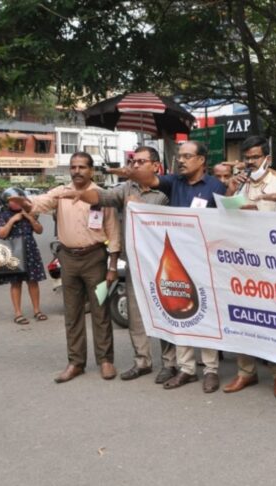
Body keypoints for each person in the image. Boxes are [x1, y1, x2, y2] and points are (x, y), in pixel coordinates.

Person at [107, 140, 227, 393]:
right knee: (178, 312)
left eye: (186, 156)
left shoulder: (217, 187)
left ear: (201, 160)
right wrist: (130, 172)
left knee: (205, 314)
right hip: (177, 260)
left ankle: (211, 370)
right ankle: (185, 369)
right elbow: (150, 181)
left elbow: (226, 225)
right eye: (179, 156)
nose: (181, 160)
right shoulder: (174, 183)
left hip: (204, 261)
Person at [58, 147, 173, 382]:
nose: (136, 165)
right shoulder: (125, 189)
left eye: (141, 161)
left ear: (155, 165)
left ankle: (170, 364)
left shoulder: (168, 189)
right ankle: (142, 361)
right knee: (135, 315)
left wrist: (139, 205)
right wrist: (82, 193)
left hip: (163, 264)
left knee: (164, 313)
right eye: (133, 161)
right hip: (135, 263)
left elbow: (171, 220)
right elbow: (103, 197)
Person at [12, 152, 122, 383]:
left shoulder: (102, 196)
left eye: (82, 167)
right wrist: (26, 203)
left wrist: (112, 266)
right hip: (68, 260)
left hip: (96, 259)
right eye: (73, 167)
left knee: (100, 311)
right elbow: (39, 203)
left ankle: (105, 360)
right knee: (72, 313)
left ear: (91, 170)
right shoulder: (60, 193)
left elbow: (113, 231)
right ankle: (75, 363)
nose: (77, 171)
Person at [221, 135, 276, 398]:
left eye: (255, 157)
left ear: (267, 158)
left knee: (273, 321)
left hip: (271, 264)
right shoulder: (240, 184)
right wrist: (230, 192)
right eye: (247, 158)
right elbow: (225, 216)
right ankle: (245, 372)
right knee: (242, 317)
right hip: (241, 261)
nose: (251, 162)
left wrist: (256, 216)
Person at [0, 187, 48, 325]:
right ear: (6, 202)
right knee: (16, 283)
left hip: (30, 250)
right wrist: (13, 220)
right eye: (13, 200)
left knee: (33, 281)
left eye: (19, 199)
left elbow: (40, 230)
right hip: (14, 252)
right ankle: (18, 313)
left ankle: (37, 310)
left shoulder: (31, 212)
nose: (16, 203)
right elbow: (2, 234)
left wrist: (29, 218)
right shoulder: (3, 215)